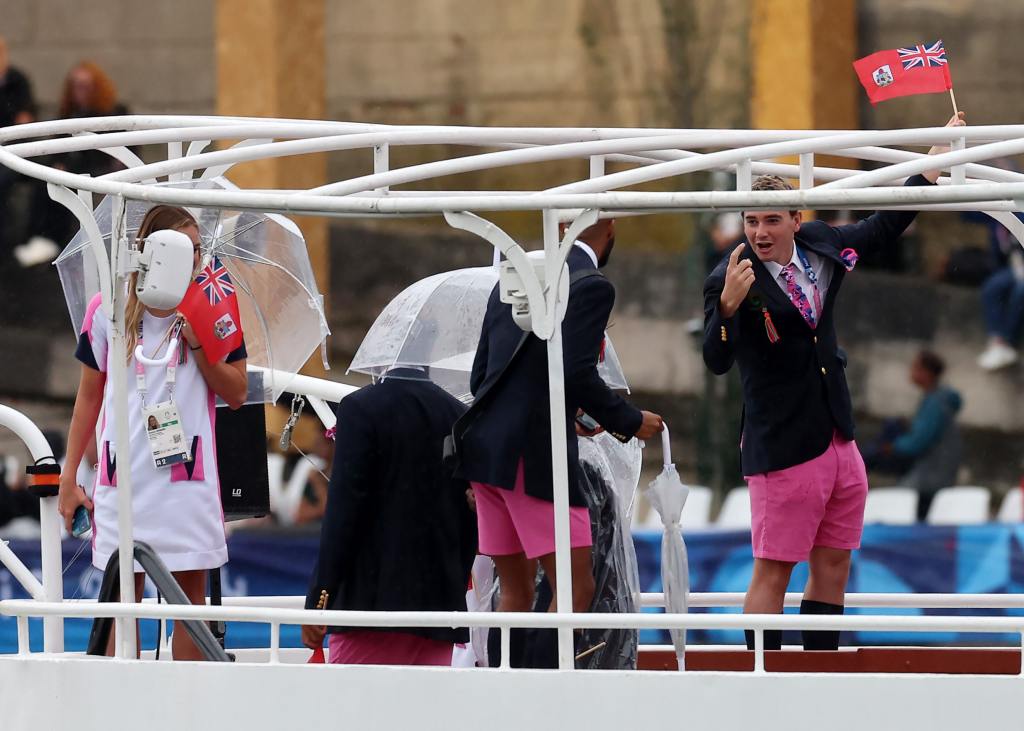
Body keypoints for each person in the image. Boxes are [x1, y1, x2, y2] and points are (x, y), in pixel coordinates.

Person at [702, 112, 965, 651]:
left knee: (834, 564)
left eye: (771, 220)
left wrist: (933, 163)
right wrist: (727, 307)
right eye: (751, 221)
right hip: (782, 445)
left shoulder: (821, 245)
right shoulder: (728, 275)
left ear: (796, 220)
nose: (758, 232)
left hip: (837, 437)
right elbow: (715, 360)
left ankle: (818, 673)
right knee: (773, 570)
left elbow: (881, 225)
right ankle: (761, 687)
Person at [454, 218, 663, 664]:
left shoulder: (511, 281)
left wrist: (570, 413)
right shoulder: (591, 285)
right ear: (609, 225)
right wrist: (629, 419)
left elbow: (482, 377)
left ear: (563, 224)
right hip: (533, 456)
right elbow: (574, 371)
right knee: (575, 589)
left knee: (512, 593)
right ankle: (541, 698)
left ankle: (505, 692)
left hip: (486, 454)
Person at [57, 205, 248, 660]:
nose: (197, 262)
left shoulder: (215, 303)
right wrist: (68, 477)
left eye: (199, 250)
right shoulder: (108, 308)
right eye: (184, 250)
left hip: (188, 478)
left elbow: (237, 391)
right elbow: (88, 397)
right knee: (121, 601)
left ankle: (187, 716)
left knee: (189, 602)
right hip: (123, 478)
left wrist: (199, 338)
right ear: (150, 252)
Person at [301, 369, 477, 665]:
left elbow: (343, 512)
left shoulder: (360, 407)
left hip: (369, 604)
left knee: (354, 709)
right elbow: (468, 518)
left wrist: (320, 596)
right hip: (439, 608)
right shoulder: (458, 412)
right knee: (426, 711)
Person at [862, 351, 962, 521]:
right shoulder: (938, 399)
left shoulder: (936, 402)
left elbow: (918, 442)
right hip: (937, 473)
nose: (911, 372)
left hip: (930, 475)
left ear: (927, 373)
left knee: (870, 457)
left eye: (915, 367)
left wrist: (891, 446)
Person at [977, 219, 1024, 370]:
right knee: (992, 287)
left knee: (1021, 291)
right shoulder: (996, 224)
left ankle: (1007, 341)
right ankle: (997, 340)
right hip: (1012, 268)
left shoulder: (1018, 215)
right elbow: (998, 257)